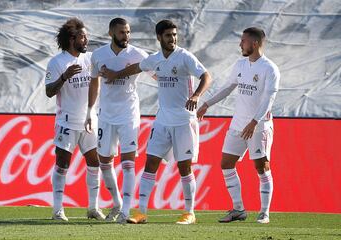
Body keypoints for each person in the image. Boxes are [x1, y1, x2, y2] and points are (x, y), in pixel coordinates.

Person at [101, 19, 212, 225]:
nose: (173, 39)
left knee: (184, 167)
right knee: (150, 163)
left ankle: (190, 212)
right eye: (169, 35)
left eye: (175, 35)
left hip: (184, 121)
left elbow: (206, 76)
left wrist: (196, 95)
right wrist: (116, 74)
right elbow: (137, 67)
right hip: (162, 121)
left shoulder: (184, 56)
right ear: (159, 37)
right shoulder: (155, 59)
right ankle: (141, 212)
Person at [197, 27, 280, 224]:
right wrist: (207, 104)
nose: (240, 44)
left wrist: (254, 121)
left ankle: (264, 212)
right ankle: (238, 209)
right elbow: (227, 87)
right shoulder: (240, 64)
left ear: (255, 43)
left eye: (243, 41)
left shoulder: (270, 68)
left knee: (262, 167)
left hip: (259, 126)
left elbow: (269, 98)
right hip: (238, 124)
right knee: (226, 164)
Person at [84, 18, 149, 224]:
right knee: (105, 161)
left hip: (129, 114)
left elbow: (154, 69)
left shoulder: (138, 53)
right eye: (122, 32)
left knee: (128, 162)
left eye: (128, 32)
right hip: (106, 115)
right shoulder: (98, 55)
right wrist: (89, 110)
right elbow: (94, 81)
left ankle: (126, 211)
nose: (126, 36)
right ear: (111, 32)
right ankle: (118, 202)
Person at [45, 18, 105, 221]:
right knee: (62, 164)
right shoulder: (57, 62)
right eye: (83, 36)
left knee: (94, 163)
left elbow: (97, 83)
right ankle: (57, 210)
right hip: (67, 122)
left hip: (90, 120)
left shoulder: (90, 59)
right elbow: (48, 92)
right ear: (72, 39)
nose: (86, 39)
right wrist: (63, 77)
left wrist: (92, 111)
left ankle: (93, 208)